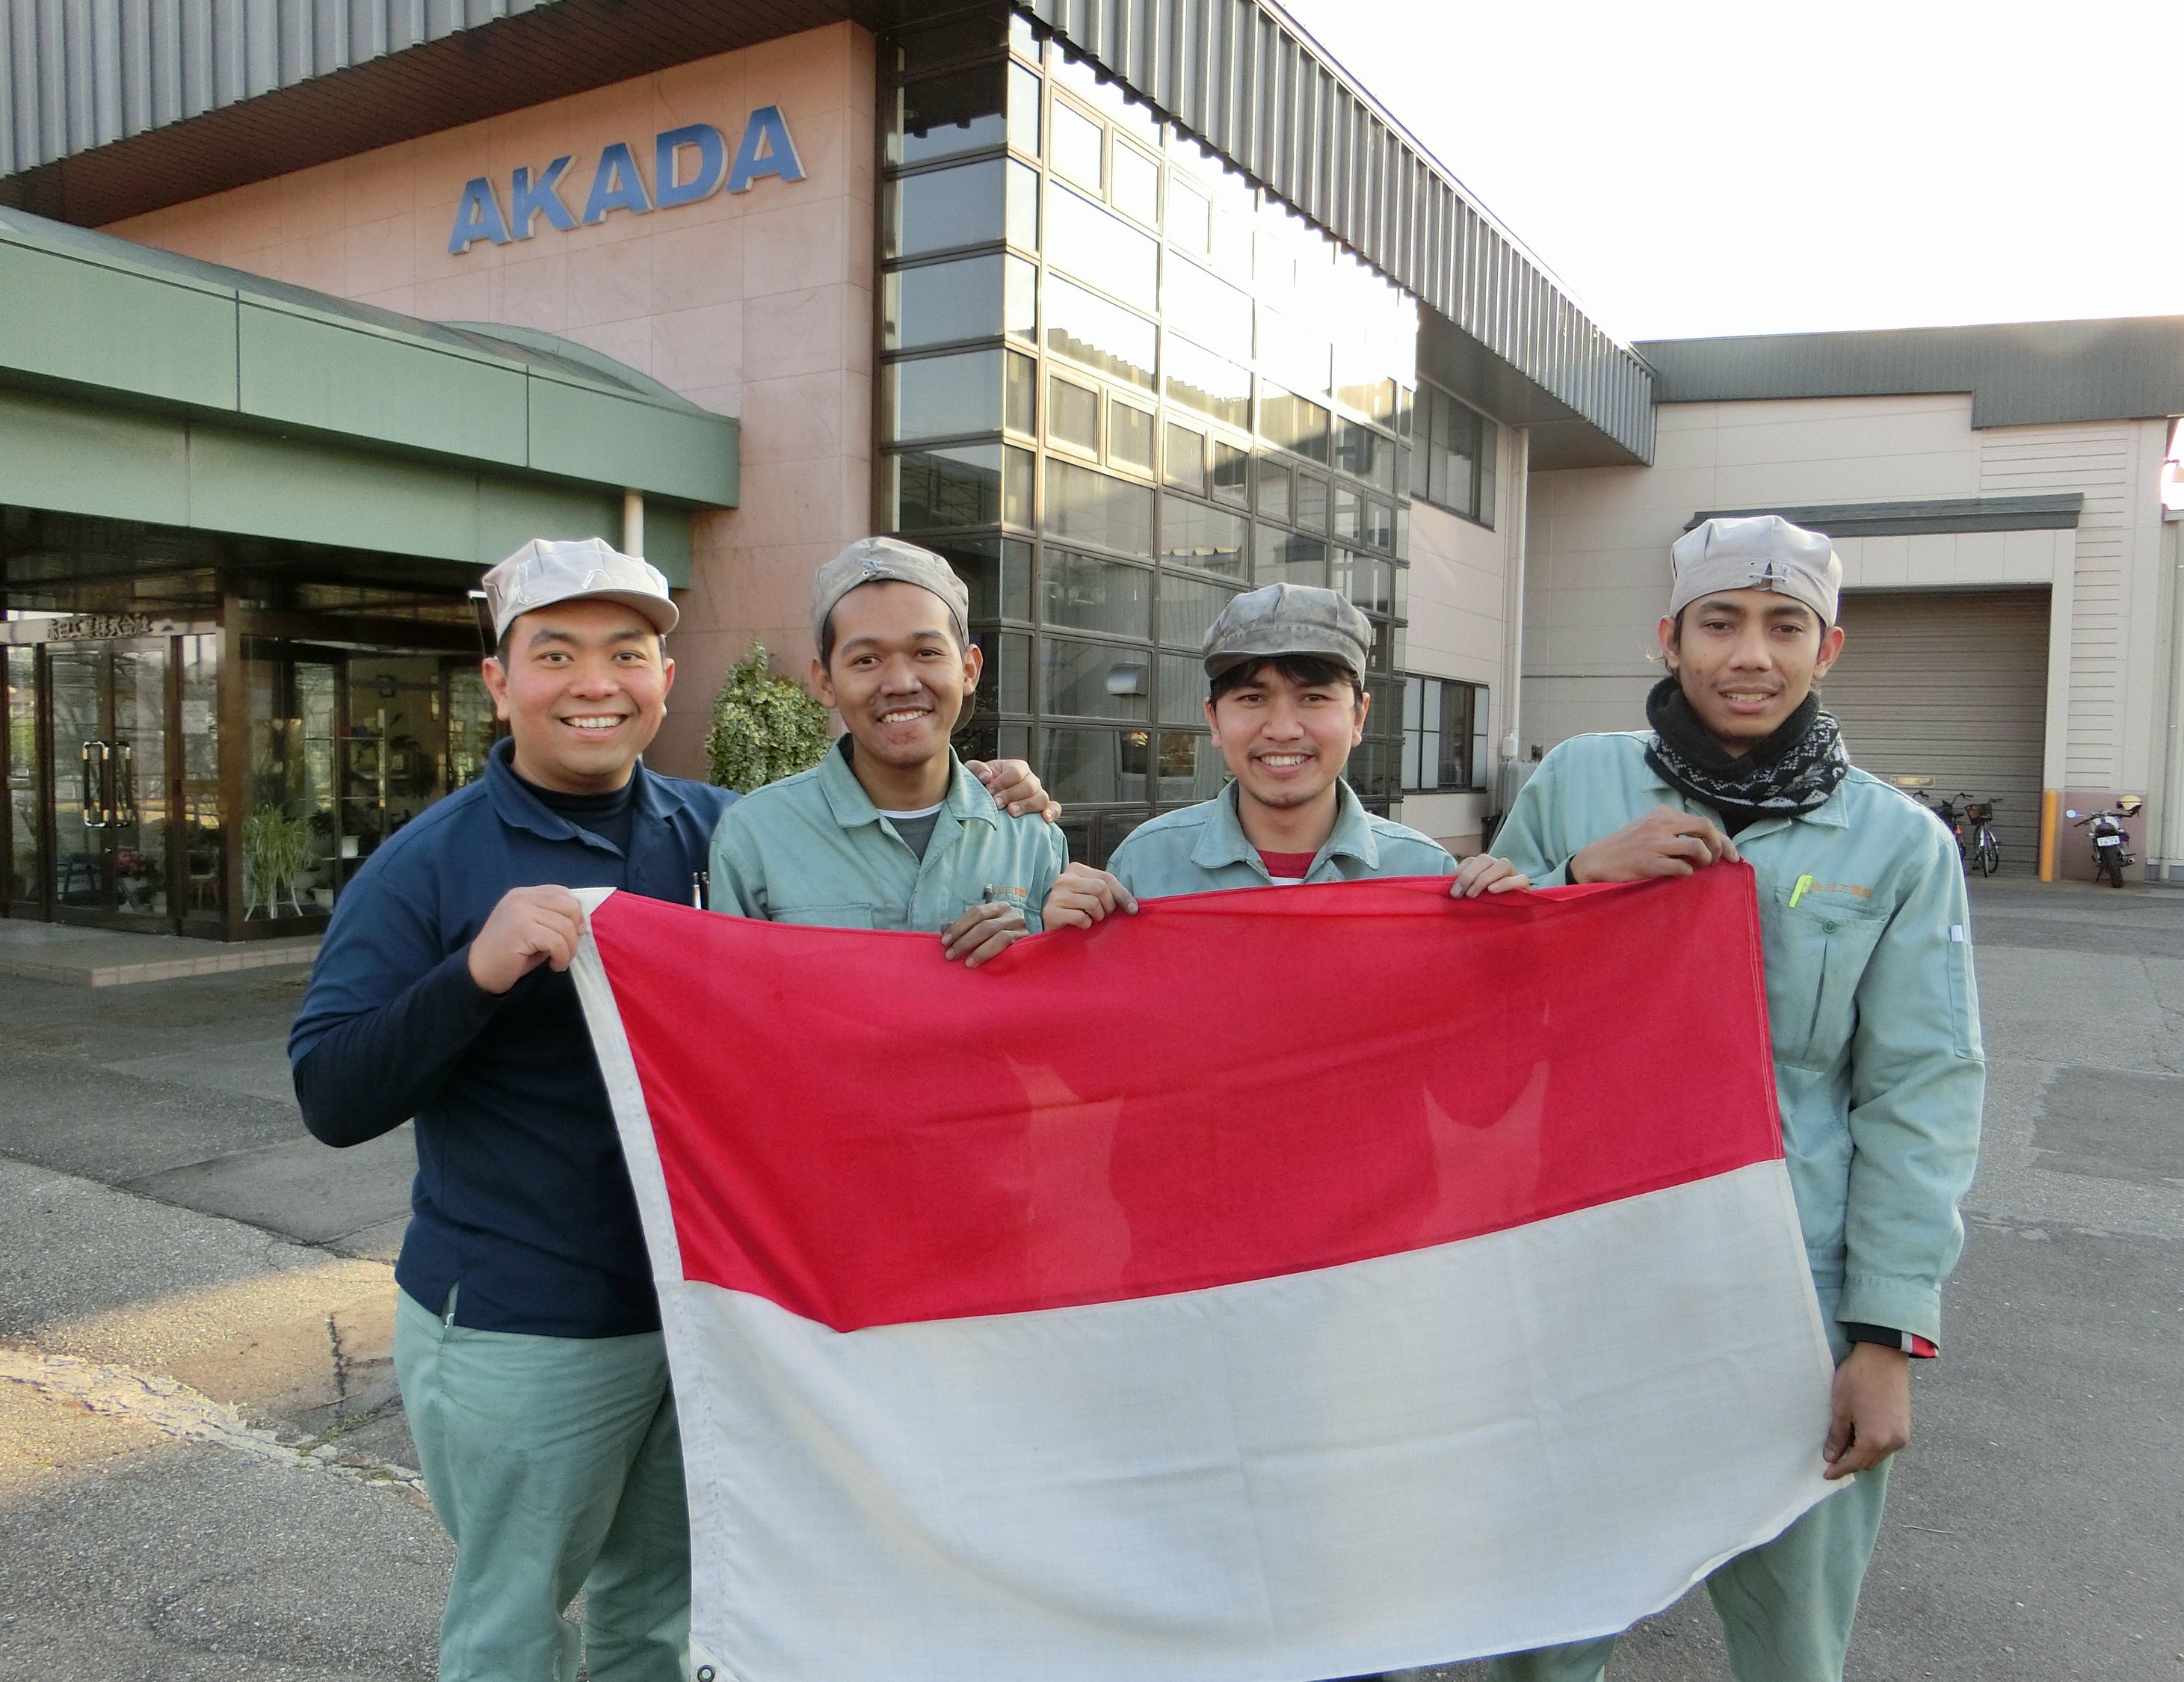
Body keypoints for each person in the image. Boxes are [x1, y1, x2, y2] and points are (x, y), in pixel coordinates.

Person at [289, 536, 1052, 1681]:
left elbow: (851, 955)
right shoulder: (428, 862)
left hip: (716, 1309)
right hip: (527, 1318)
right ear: (499, 681)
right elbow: (331, 1091)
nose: (594, 683)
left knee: (659, 1617)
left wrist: (992, 797)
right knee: (512, 1626)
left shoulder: (718, 831)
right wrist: (475, 972)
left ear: (663, 680)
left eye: (627, 653)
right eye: (556, 654)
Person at [1484, 515, 1985, 1682]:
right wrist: (1576, 881)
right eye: (1720, 622)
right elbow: (1479, 996)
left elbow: (1920, 1092)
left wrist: (1887, 1333)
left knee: (1794, 1633)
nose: (1749, 654)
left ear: (1828, 647)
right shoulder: (1575, 783)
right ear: (1670, 637)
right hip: (1590, 1275)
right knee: (1545, 1624)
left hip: (1794, 1294)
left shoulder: (1900, 844)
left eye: (1783, 626)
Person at [1043, 582, 1524, 928]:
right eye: (1253, 698)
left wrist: (1511, 928)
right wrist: (1059, 941)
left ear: (1359, 716)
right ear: (1214, 719)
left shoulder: (1427, 875)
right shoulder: (1145, 866)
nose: (1283, 730)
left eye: (1313, 698)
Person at [709, 537, 1066, 964]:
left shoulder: (1029, 836)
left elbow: (1065, 990)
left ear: (969, 670)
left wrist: (1032, 958)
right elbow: (732, 996)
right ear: (825, 682)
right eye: (866, 660)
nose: (900, 683)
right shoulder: (756, 837)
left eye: (926, 652)